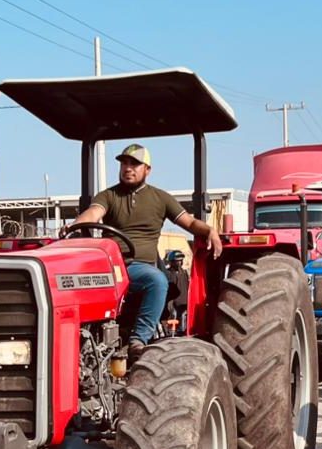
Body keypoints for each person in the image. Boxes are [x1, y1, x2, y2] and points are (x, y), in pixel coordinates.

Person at [71, 144, 222, 354]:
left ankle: (138, 340)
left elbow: (189, 222)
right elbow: (93, 213)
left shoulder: (160, 198)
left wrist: (209, 230)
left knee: (157, 280)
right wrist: (74, 225)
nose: (128, 168)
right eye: (124, 163)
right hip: (108, 265)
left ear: (147, 169)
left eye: (134, 164)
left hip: (137, 267)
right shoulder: (108, 195)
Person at [163, 249, 189, 335]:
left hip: (184, 302)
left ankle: (181, 333)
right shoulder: (167, 273)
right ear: (171, 262)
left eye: (180, 261)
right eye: (176, 261)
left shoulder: (185, 273)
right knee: (172, 319)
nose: (179, 263)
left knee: (183, 320)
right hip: (172, 302)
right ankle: (170, 334)